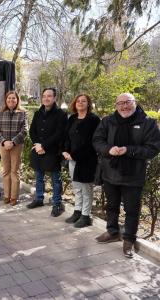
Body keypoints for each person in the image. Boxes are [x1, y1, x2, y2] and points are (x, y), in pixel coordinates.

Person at [92, 93, 160, 258]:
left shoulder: (147, 123)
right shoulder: (108, 121)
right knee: (112, 206)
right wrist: (109, 149)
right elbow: (97, 140)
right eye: (120, 103)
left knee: (132, 210)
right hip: (110, 173)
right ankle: (113, 231)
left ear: (135, 103)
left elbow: (153, 148)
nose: (124, 106)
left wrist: (128, 150)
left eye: (128, 102)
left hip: (133, 175)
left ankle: (129, 239)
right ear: (116, 105)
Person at [27, 87, 67, 217]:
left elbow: (60, 133)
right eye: (44, 96)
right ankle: (39, 199)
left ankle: (57, 204)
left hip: (52, 151)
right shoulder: (38, 112)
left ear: (54, 98)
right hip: (38, 150)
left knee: (56, 179)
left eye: (49, 96)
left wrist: (43, 145)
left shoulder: (61, 114)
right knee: (39, 176)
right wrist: (37, 145)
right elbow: (32, 131)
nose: (46, 98)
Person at [62, 94, 100, 227]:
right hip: (71, 158)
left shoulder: (94, 120)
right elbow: (67, 137)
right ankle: (77, 212)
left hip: (86, 160)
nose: (80, 103)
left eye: (84, 101)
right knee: (77, 187)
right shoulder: (72, 118)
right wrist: (65, 151)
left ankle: (85, 216)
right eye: (78, 101)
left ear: (88, 104)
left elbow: (92, 141)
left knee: (86, 188)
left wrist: (75, 155)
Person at [0, 91, 27, 206]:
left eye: (13, 98)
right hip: (3, 145)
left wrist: (13, 142)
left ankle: (14, 197)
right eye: (9, 98)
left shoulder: (22, 113)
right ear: (6, 100)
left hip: (16, 146)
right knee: (6, 171)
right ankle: (6, 195)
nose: (11, 100)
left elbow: (24, 131)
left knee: (15, 171)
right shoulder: (0, 112)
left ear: (17, 100)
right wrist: (4, 141)